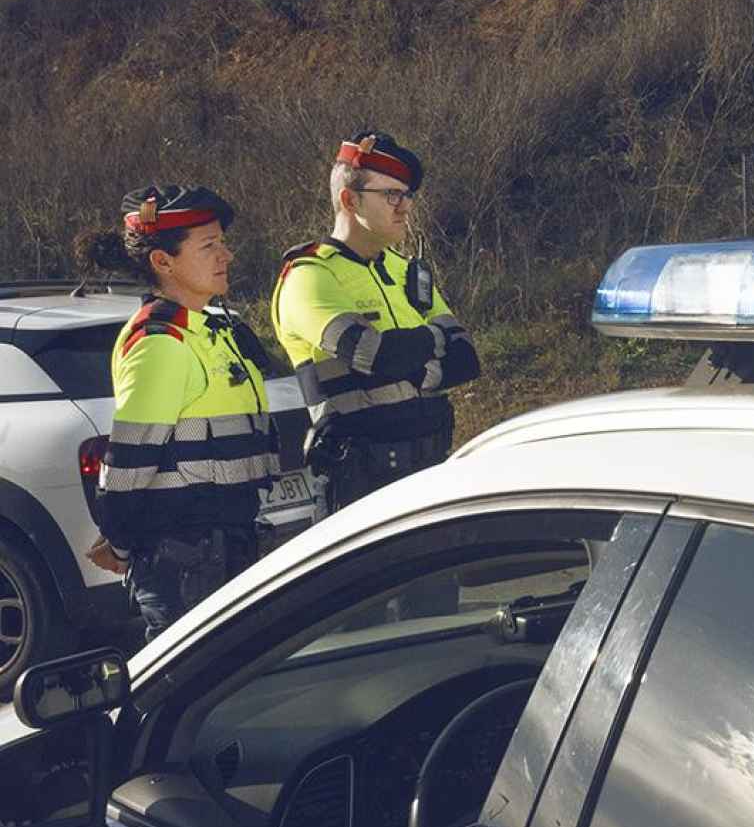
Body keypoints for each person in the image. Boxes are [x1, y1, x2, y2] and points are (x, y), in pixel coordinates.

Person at [80, 185, 279, 641]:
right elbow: (126, 470)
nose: (225, 255)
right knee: (182, 704)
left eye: (222, 242)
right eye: (208, 246)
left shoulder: (209, 329)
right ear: (162, 262)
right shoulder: (160, 343)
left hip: (228, 551)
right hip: (186, 566)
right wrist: (124, 545)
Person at [270, 130, 480, 513]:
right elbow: (374, 355)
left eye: (407, 196)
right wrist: (434, 341)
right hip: (359, 484)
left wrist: (415, 366)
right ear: (350, 200)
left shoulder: (406, 271)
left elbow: (466, 359)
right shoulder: (310, 275)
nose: (405, 207)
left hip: (428, 472)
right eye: (391, 195)